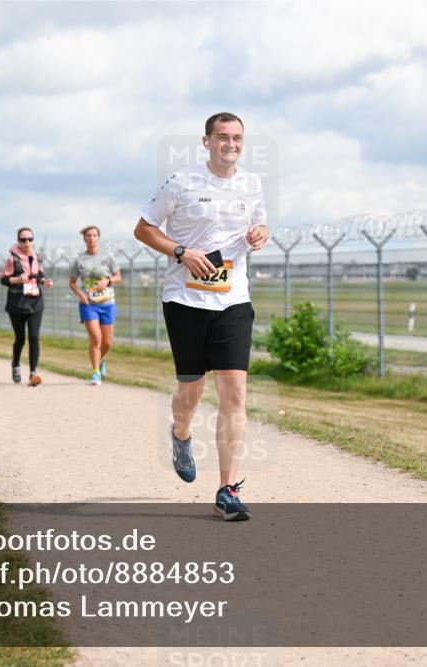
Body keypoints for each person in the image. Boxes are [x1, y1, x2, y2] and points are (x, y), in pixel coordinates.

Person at [133, 112, 269, 522]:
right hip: (185, 300)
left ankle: (226, 490)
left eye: (238, 138)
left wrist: (260, 233)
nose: (231, 144)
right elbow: (144, 229)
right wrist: (181, 253)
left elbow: (259, 223)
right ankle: (181, 435)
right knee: (190, 392)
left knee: (234, 395)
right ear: (206, 141)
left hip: (233, 301)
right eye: (223, 137)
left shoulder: (252, 183)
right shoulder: (182, 181)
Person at [68, 226, 121, 385]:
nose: (91, 238)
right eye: (88, 236)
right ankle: (95, 372)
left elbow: (118, 276)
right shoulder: (80, 260)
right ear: (84, 239)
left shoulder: (107, 256)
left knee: (107, 342)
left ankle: (100, 360)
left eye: (94, 235)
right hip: (88, 304)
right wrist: (80, 294)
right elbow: (72, 283)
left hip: (107, 302)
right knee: (96, 339)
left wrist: (108, 281)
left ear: (98, 237)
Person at [0, 227, 54, 385]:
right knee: (20, 339)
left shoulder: (38, 257)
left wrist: (45, 282)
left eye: (30, 239)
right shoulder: (12, 259)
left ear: (33, 240)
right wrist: (16, 280)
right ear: (18, 241)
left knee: (34, 337)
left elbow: (39, 276)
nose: (27, 242)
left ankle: (33, 373)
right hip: (17, 302)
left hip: (35, 301)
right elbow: (3, 280)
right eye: (23, 240)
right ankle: (16, 364)